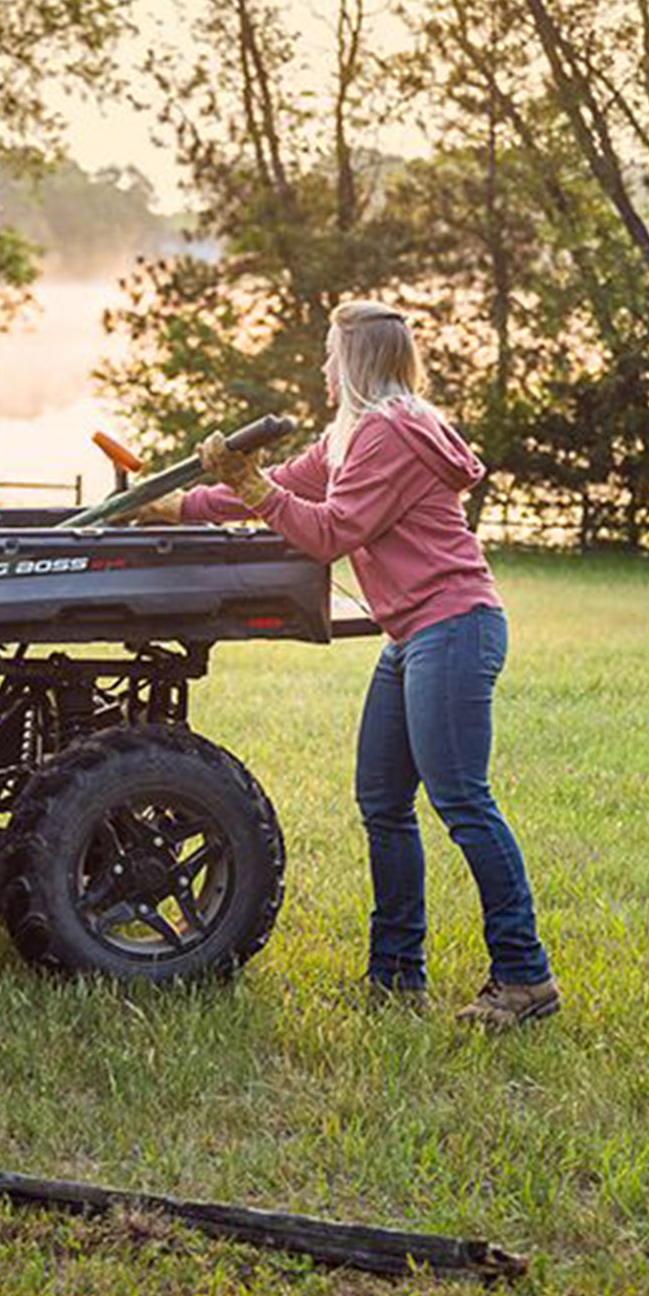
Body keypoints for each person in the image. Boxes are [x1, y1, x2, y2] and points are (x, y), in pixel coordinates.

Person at [136, 299, 557, 1028]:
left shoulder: (390, 434)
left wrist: (254, 486)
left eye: (331, 355)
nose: (323, 368)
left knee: (461, 801)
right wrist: (173, 505)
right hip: (415, 636)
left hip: (453, 627)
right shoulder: (350, 435)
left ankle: (525, 977)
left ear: (356, 360)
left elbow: (330, 532)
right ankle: (395, 976)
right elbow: (277, 490)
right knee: (383, 804)